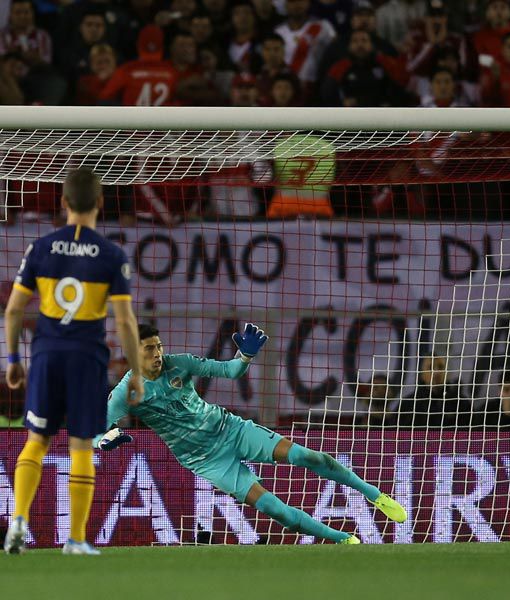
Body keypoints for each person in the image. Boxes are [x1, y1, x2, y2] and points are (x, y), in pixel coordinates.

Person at [98, 323, 407, 544]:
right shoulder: (127, 391)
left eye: (159, 346)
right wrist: (108, 438)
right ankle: (344, 540)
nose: (158, 354)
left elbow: (231, 371)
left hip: (232, 429)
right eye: (149, 349)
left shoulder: (180, 363)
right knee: (276, 511)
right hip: (206, 461)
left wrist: (244, 356)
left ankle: (376, 496)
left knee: (308, 456)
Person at [3, 167, 144, 555]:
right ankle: (76, 539)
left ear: (63, 203)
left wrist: (14, 357)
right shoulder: (112, 255)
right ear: (100, 203)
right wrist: (134, 372)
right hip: (87, 359)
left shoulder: (41, 248)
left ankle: (18, 520)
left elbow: (14, 311)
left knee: (36, 441)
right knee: (81, 447)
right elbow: (125, 322)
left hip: (47, 355)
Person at [99, 24, 179, 106]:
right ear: (163, 47)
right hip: (164, 118)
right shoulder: (172, 72)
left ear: (138, 45)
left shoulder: (127, 70)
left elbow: (105, 97)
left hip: (132, 118)